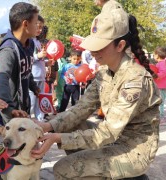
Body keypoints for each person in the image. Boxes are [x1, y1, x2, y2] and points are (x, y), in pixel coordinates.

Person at [31, 7, 161, 179]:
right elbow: (80, 110)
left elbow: (107, 132)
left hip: (134, 151)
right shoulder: (105, 72)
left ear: (120, 45)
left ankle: (127, 175)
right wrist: (49, 126)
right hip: (114, 142)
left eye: (99, 47)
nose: (92, 52)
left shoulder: (135, 81)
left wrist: (57, 138)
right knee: (71, 123)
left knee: (64, 169)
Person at [0, 2, 40, 123]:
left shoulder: (30, 44)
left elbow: (27, 69)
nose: (39, 26)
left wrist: (33, 86)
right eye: (36, 23)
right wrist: (8, 107)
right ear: (25, 24)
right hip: (12, 110)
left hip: (24, 105)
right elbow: (1, 79)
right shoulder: (9, 50)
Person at [29, 15, 47, 121]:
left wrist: (46, 62)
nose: (39, 30)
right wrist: (38, 56)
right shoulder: (29, 41)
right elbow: (28, 59)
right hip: (33, 77)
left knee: (39, 101)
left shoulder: (37, 41)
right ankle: (28, 121)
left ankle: (40, 121)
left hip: (41, 76)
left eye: (41, 27)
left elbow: (39, 59)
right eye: (38, 26)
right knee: (31, 103)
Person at [153, 47, 166, 126]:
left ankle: (162, 118)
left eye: (154, 55)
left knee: (160, 103)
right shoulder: (161, 63)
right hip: (161, 86)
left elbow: (164, 72)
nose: (154, 56)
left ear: (158, 55)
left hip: (162, 87)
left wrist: (156, 76)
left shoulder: (162, 63)